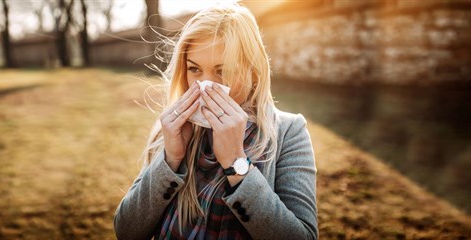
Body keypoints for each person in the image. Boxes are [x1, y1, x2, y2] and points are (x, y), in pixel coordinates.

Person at [113, 2, 318, 240]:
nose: (205, 87)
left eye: (222, 70)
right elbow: (126, 230)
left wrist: (236, 162)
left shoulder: (288, 133)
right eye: (195, 69)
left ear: (253, 69)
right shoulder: (173, 129)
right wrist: (170, 159)